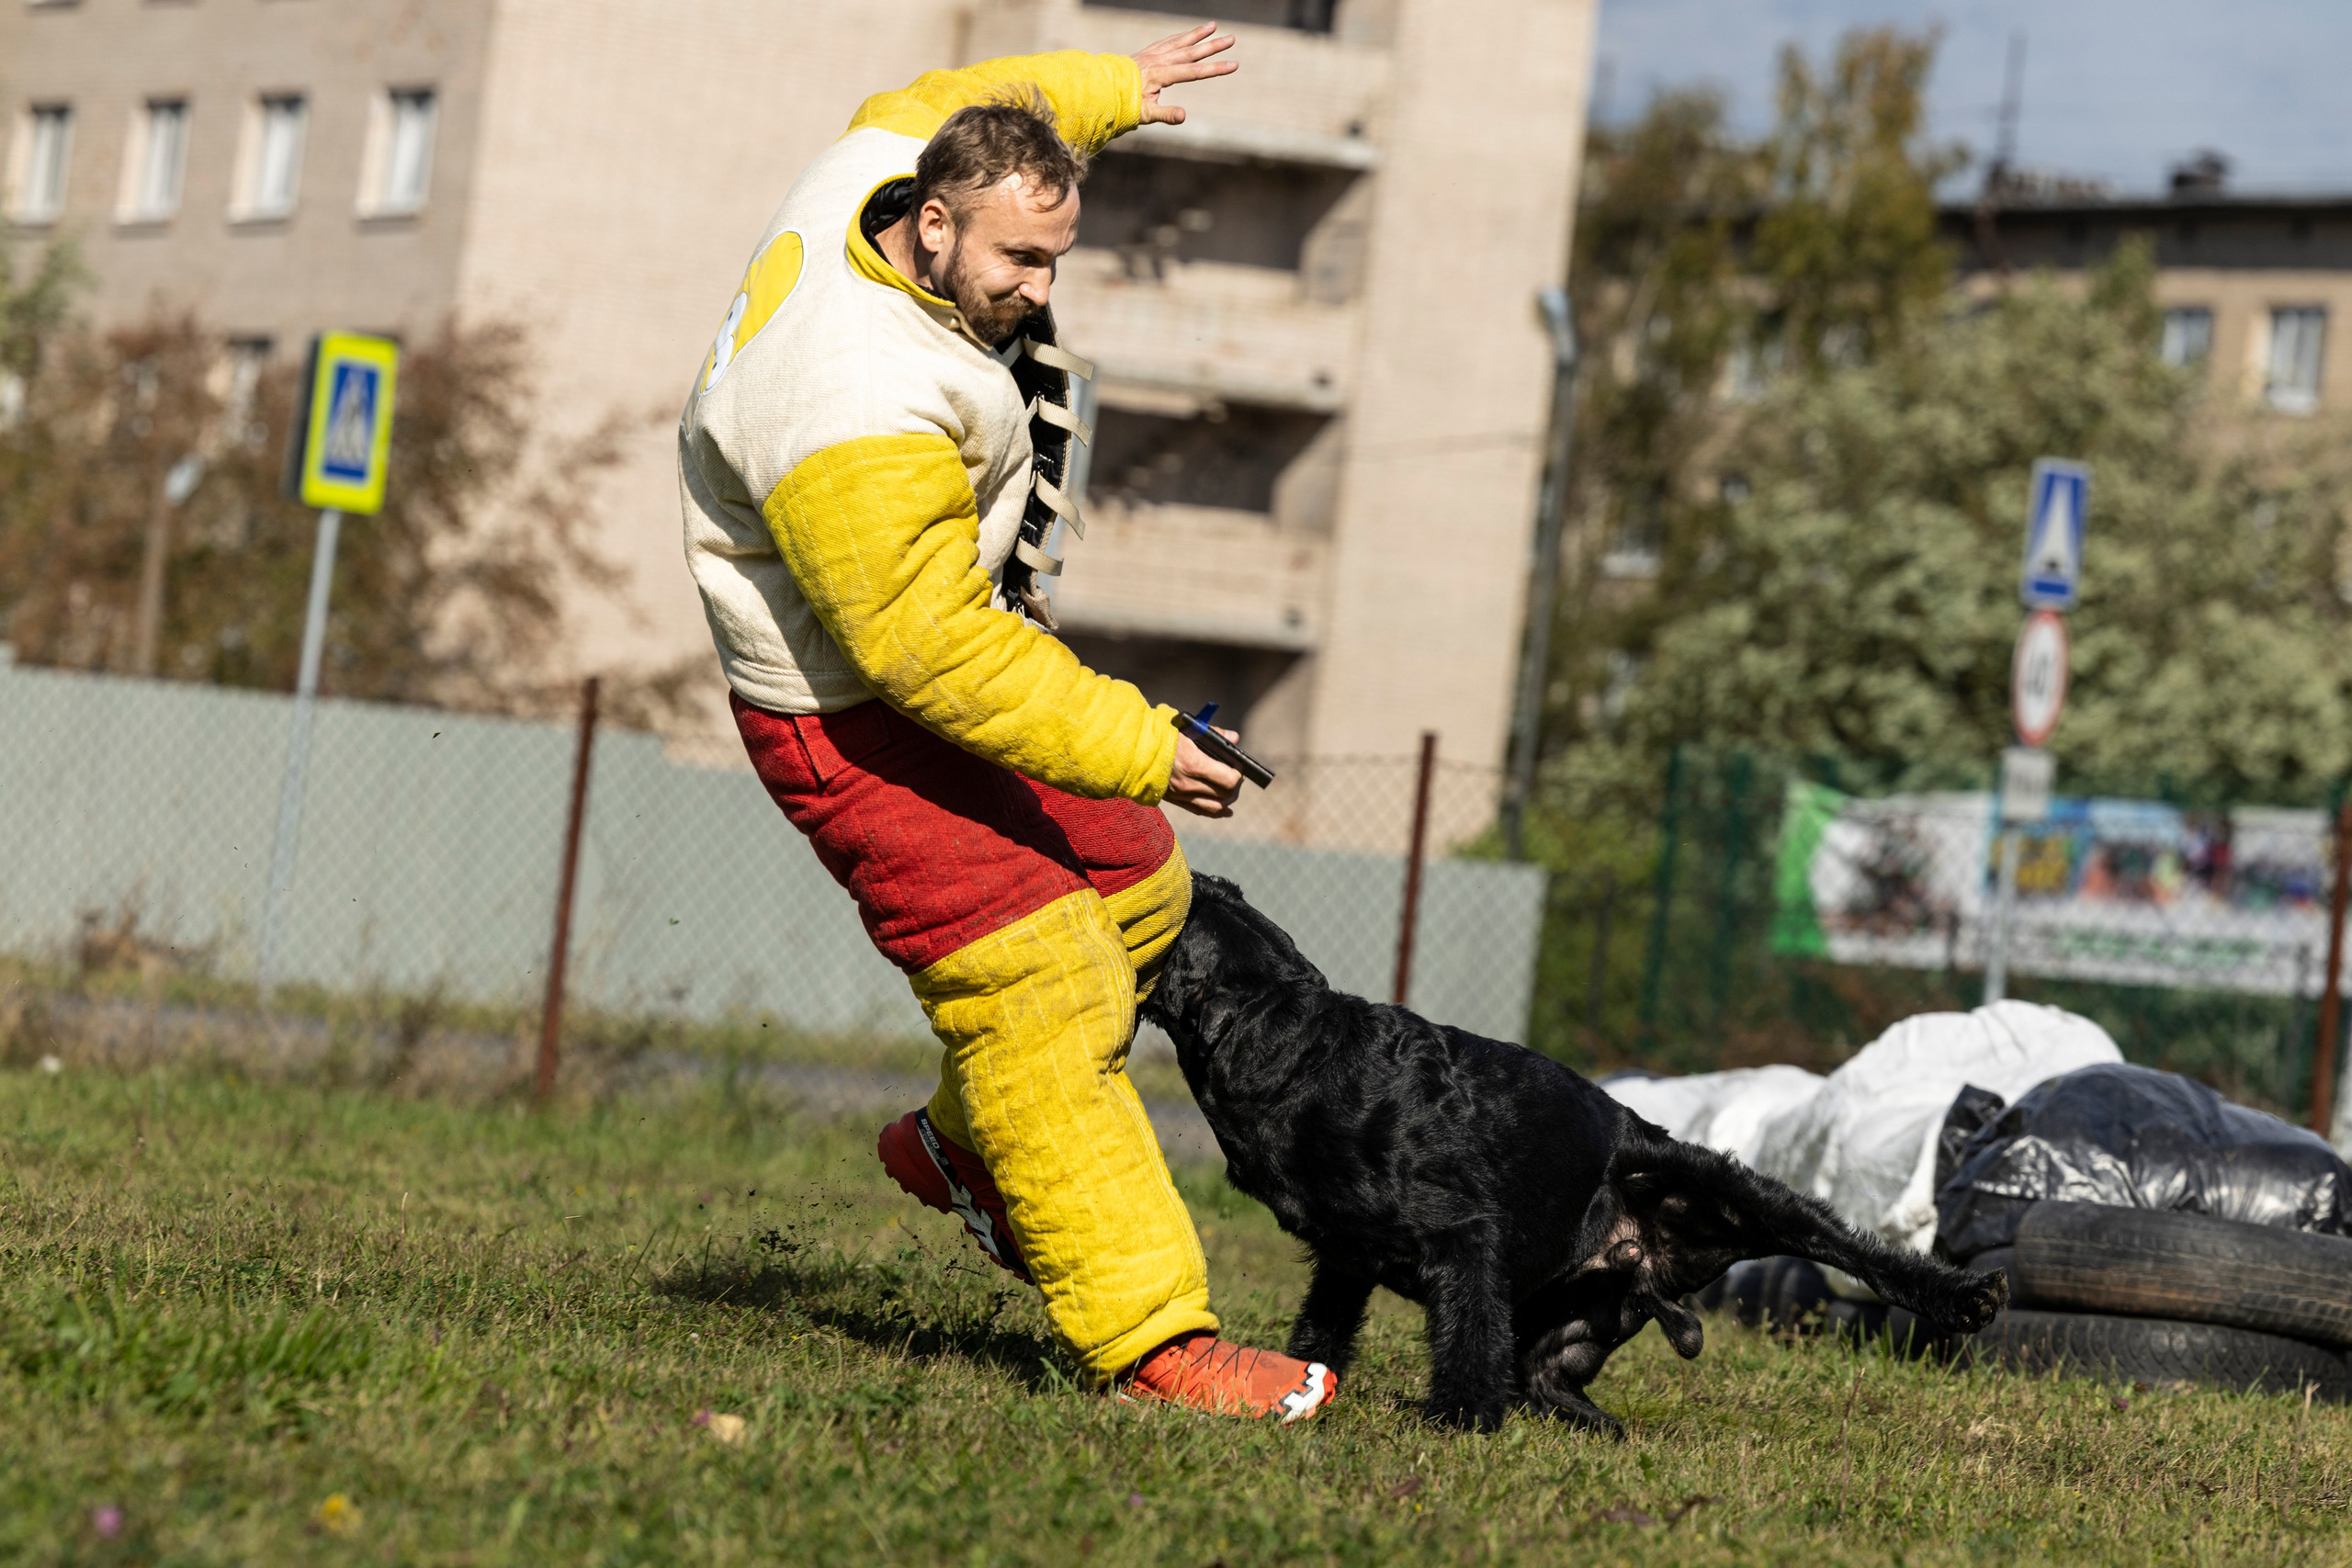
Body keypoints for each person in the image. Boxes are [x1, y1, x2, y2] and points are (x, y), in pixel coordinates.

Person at [676, 25, 1336, 1423]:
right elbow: (927, 652)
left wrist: (1112, 93)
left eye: (1056, 259)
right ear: (929, 225)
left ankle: (967, 1151)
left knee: (1139, 888)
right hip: (847, 710)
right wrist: (1141, 739)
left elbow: (973, 98)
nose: (1038, 290)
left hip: (933, 651)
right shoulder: (851, 400)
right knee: (1045, 987)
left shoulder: (894, 155)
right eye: (1016, 264)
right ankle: (1157, 1348)